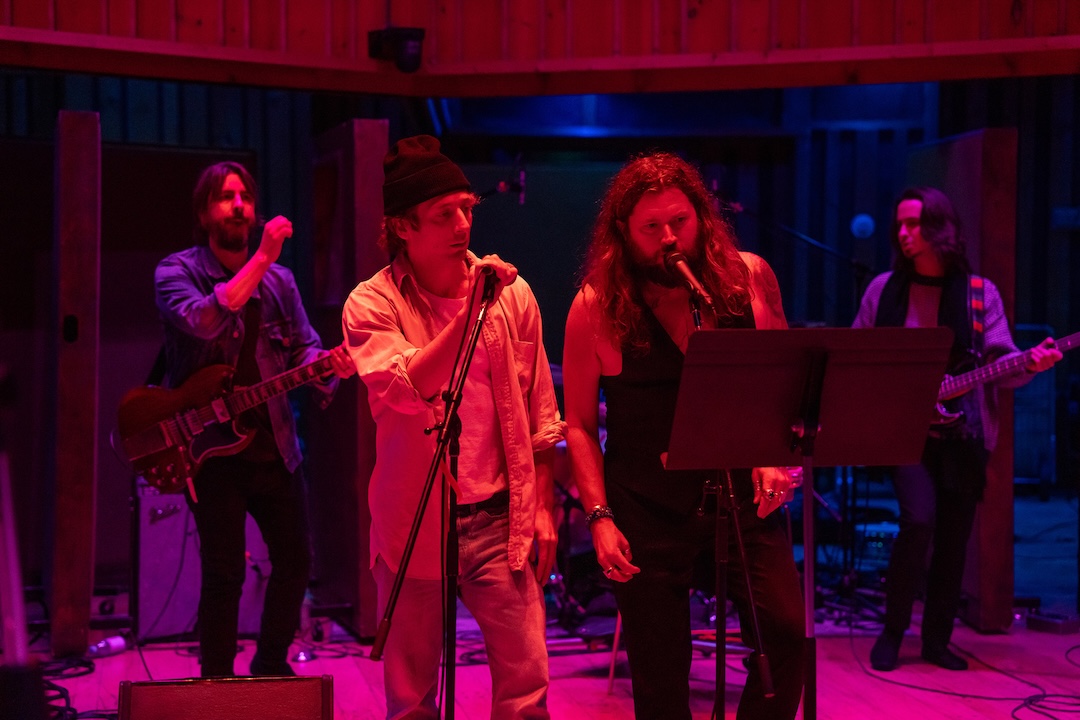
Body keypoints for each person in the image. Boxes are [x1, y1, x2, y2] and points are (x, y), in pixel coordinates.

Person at [563, 152, 805, 720]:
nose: (669, 238)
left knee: (788, 638)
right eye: (652, 228)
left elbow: (783, 381)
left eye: (680, 221)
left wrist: (773, 458)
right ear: (624, 232)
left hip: (744, 505)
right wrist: (598, 518)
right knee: (660, 680)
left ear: (702, 216)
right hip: (647, 510)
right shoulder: (594, 305)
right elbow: (577, 423)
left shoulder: (749, 277)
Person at [342, 135, 564, 719]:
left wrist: (544, 508)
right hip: (414, 521)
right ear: (403, 228)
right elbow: (406, 388)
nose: (464, 224)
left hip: (497, 518)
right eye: (445, 214)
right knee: (414, 699)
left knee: (526, 688)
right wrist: (467, 317)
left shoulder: (512, 294)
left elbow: (543, 414)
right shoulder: (371, 304)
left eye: (468, 208)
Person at [154, 161, 356, 677]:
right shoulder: (175, 271)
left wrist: (324, 366)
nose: (239, 204)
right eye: (225, 196)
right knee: (224, 573)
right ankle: (217, 682)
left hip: (273, 446)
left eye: (245, 195)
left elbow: (303, 349)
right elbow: (202, 320)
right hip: (209, 451)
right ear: (204, 213)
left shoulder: (282, 284)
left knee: (296, 562)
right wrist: (264, 256)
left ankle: (270, 667)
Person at [853, 186, 1061, 672]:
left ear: (939, 228)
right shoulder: (882, 290)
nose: (903, 235)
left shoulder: (977, 293)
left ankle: (936, 639)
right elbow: (856, 358)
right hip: (902, 433)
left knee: (952, 538)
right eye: (899, 226)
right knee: (918, 520)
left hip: (964, 437)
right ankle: (892, 630)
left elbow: (1003, 363)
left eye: (914, 225)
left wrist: (1032, 364)